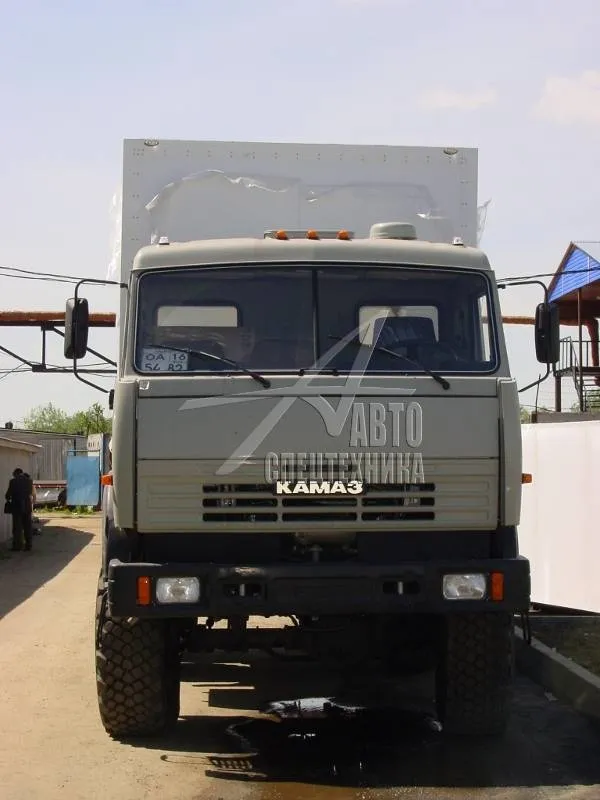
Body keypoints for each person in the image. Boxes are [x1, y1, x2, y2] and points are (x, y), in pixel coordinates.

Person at [5, 467, 34, 552]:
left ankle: (17, 546)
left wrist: (8, 498)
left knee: (17, 527)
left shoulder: (13, 481)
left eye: (14, 474)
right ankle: (28, 545)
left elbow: (8, 494)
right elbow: (30, 492)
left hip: (17, 507)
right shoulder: (29, 481)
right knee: (27, 526)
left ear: (16, 473)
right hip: (27, 507)